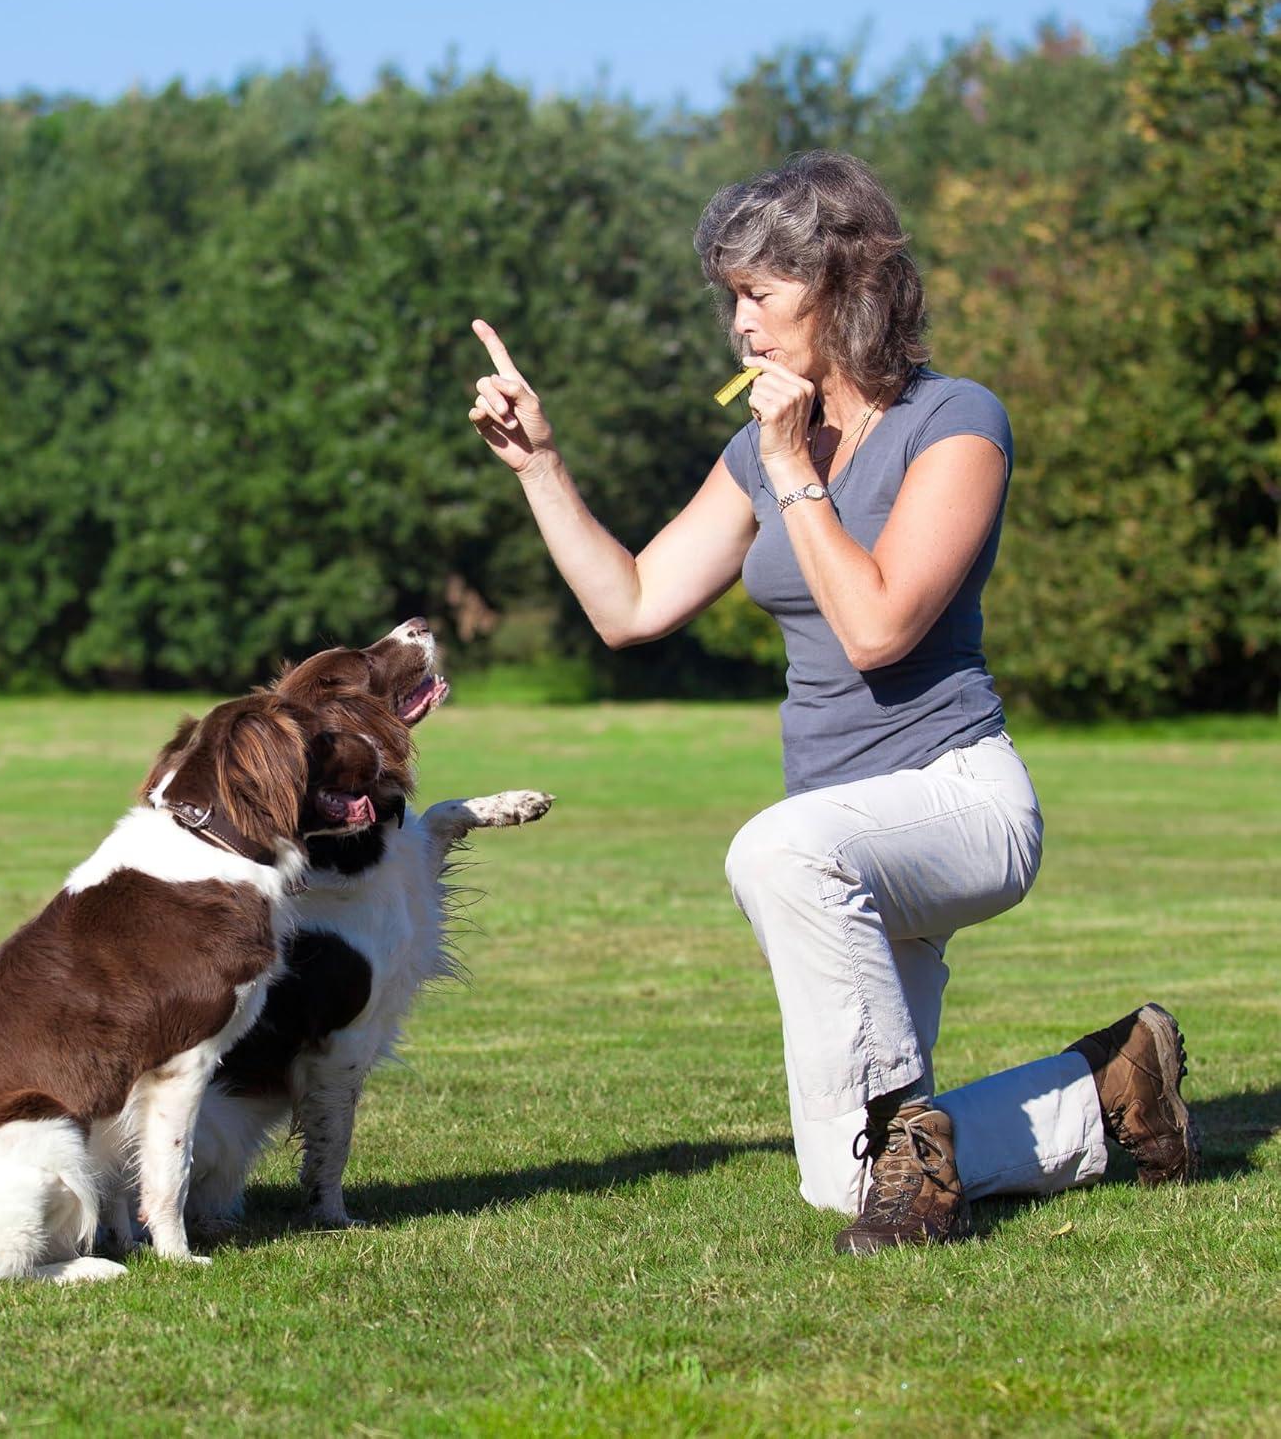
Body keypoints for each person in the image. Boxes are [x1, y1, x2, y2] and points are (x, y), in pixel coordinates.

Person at [466, 150, 1198, 1255]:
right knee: (838, 1189)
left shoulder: (956, 422)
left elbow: (879, 625)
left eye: (759, 294)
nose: (740, 328)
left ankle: (917, 1155)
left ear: (845, 283)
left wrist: (795, 471)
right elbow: (632, 606)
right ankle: (1109, 1092)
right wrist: (540, 467)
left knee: (776, 849)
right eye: (730, 300)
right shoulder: (761, 452)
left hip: (957, 800)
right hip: (841, 841)